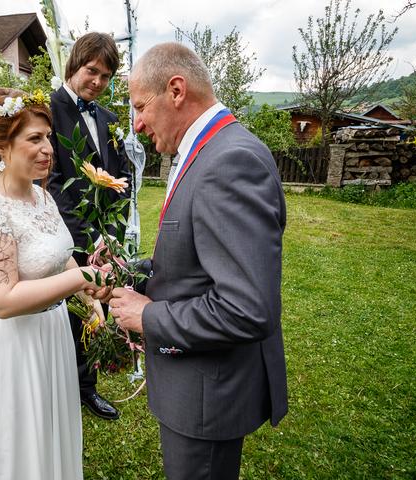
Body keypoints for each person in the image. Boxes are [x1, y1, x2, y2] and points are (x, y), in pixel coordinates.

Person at [107, 42, 288, 480]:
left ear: (176, 90)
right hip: (199, 389)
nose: (137, 124)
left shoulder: (229, 161)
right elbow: (197, 259)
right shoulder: (206, 150)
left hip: (207, 397)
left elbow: (246, 309)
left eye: (140, 107)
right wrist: (131, 272)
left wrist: (148, 316)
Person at [0, 87, 106, 480]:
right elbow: (1, 300)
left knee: (47, 439)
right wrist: (82, 276)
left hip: (52, 337)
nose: (48, 148)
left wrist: (90, 299)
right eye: (34, 138)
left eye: (47, 137)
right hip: (11, 351)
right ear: (2, 146)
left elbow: (60, 254)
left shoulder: (42, 197)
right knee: (16, 452)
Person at [46, 31, 131, 421]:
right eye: (91, 71)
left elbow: (123, 179)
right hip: (65, 238)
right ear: (74, 65)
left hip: (105, 241)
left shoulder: (110, 120)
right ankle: (59, 385)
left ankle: (86, 386)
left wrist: (111, 235)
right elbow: (50, 183)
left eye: (105, 76)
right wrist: (87, 237)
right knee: (67, 316)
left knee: (99, 311)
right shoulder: (47, 111)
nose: (97, 82)